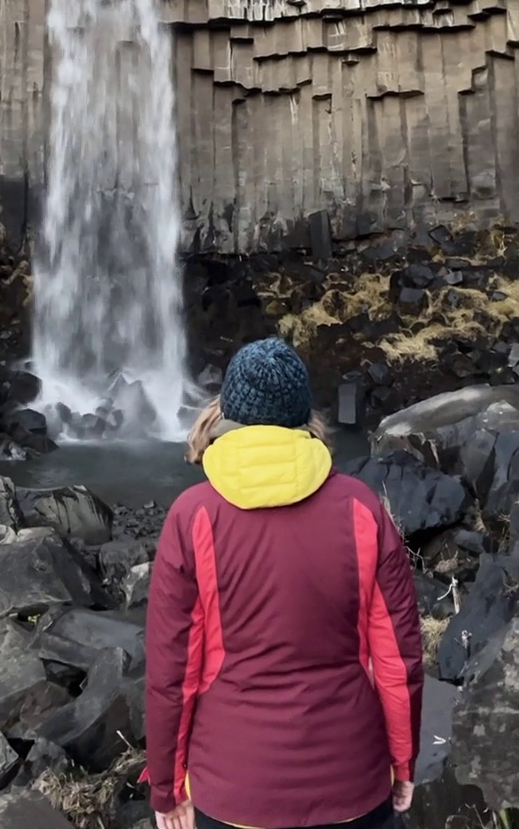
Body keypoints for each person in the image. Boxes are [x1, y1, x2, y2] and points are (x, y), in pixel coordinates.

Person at [144, 336, 423, 829]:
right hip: (354, 786)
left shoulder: (192, 518)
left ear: (226, 413)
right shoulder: (361, 509)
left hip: (234, 794)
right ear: (303, 417)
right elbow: (399, 662)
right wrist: (403, 762)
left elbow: (172, 676)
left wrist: (166, 787)